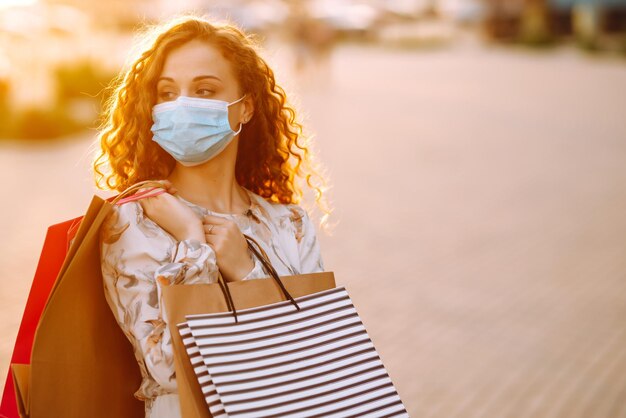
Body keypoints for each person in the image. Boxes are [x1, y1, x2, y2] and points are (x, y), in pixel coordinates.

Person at [93, 14, 332, 418]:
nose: (182, 105)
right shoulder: (130, 222)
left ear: (245, 108)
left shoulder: (290, 223)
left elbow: (319, 353)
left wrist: (245, 270)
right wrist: (193, 244)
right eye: (167, 93)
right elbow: (170, 367)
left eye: (204, 90)